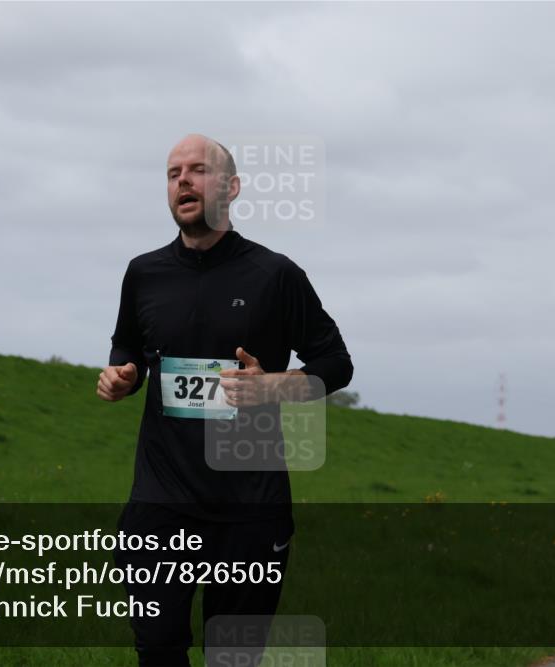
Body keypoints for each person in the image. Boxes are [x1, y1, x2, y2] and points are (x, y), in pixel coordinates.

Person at [97, 134, 353, 666]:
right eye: (173, 173)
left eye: (197, 170)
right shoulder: (144, 273)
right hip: (161, 502)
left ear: (231, 188)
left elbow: (335, 363)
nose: (183, 181)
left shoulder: (275, 275)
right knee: (157, 649)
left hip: (249, 508)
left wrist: (272, 385)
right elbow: (129, 346)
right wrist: (125, 375)